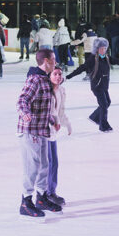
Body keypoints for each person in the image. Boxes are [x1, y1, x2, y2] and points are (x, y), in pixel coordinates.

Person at [17, 49, 61, 218]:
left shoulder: (44, 80)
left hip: (41, 130)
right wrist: (25, 113)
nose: (55, 63)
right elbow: (22, 100)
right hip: (29, 131)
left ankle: (40, 198)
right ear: (46, 61)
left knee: (45, 165)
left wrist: (52, 120)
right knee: (32, 167)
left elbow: (42, 106)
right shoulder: (35, 80)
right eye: (54, 60)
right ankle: (25, 201)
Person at [67, 37, 113, 131]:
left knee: (107, 102)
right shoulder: (93, 58)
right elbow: (82, 68)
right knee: (104, 105)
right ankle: (103, 125)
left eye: (104, 48)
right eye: (101, 48)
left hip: (104, 86)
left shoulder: (107, 57)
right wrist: (68, 76)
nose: (103, 50)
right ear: (96, 49)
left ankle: (94, 117)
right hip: (96, 86)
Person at [46, 65, 71, 207]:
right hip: (44, 131)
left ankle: (51, 191)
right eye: (55, 74)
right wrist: (52, 122)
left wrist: (67, 123)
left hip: (53, 133)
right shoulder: (46, 91)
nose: (58, 77)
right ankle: (45, 194)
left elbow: (60, 111)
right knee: (47, 164)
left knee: (54, 163)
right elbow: (46, 111)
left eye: (60, 74)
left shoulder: (61, 90)